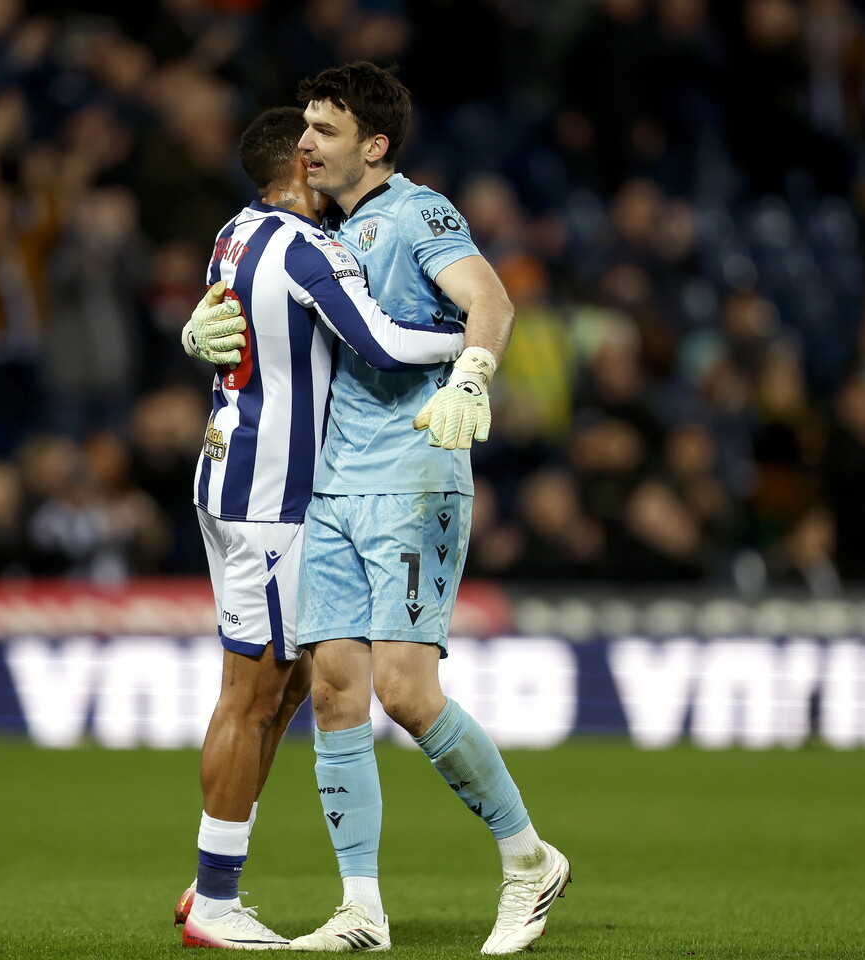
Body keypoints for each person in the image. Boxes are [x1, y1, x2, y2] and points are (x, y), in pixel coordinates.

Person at [286, 62, 571, 954]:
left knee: (406, 694)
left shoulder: (417, 212)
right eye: (303, 126)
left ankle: (530, 861)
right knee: (334, 694)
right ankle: (361, 910)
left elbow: (489, 297)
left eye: (324, 131)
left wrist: (475, 372)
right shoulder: (326, 230)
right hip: (332, 488)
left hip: (414, 475)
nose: (305, 143)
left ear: (373, 146)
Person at [175, 106, 466, 951]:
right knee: (254, 696)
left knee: (290, 686)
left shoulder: (235, 232)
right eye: (318, 157)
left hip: (235, 475)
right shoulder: (305, 244)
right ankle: (216, 902)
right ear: (301, 171)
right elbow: (375, 340)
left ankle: (210, 887)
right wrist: (465, 345)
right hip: (274, 493)